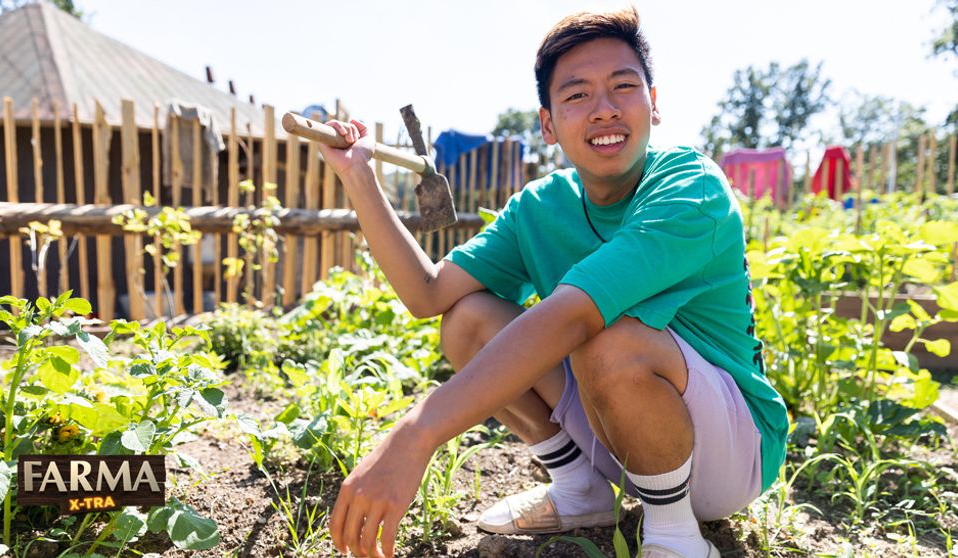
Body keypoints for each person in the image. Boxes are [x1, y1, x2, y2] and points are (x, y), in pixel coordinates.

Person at [317, 7, 788, 558]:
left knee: (608, 335)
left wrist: (416, 434)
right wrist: (358, 176)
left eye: (623, 86)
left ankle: (675, 535)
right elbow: (427, 294)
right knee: (470, 320)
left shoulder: (691, 187)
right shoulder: (540, 208)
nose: (605, 109)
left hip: (732, 452)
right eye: (577, 95)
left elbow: (573, 315)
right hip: (622, 437)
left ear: (653, 104)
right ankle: (580, 488)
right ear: (548, 124)